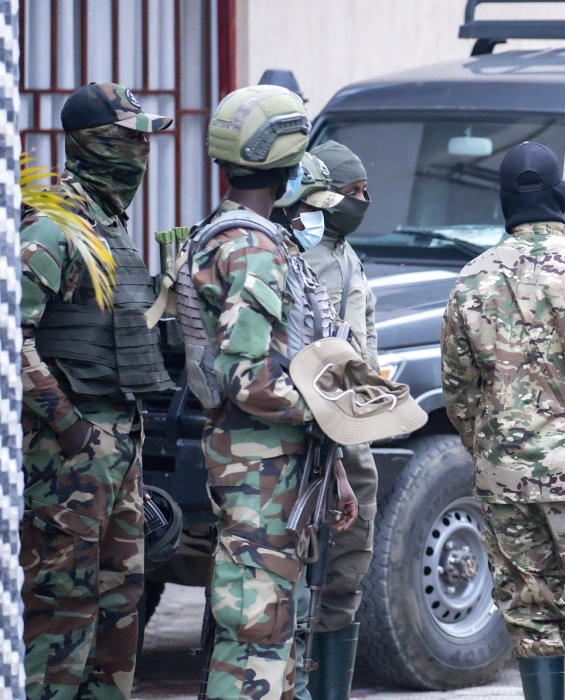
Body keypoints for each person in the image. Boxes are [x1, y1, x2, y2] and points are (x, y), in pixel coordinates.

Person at [187, 84, 356, 700]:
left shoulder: (246, 236)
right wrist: (333, 409)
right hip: (258, 470)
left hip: (274, 470)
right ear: (286, 159)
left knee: (276, 639)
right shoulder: (252, 247)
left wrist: (334, 464)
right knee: (255, 640)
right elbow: (250, 379)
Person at [18, 82, 174, 700]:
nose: (142, 152)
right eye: (131, 139)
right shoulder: (54, 228)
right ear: (96, 142)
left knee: (119, 610)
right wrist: (72, 428)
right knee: (62, 613)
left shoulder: (109, 226)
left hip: (118, 446)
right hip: (67, 459)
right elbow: (10, 340)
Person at [441, 142, 565, 700]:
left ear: (504, 202)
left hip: (504, 476)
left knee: (531, 615)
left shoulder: (472, 278)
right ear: (560, 195)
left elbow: (458, 391)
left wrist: (490, 448)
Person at [286, 143, 376, 700]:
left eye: (365, 192)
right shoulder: (303, 252)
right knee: (308, 578)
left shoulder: (344, 253)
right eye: (353, 192)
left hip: (354, 433)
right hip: (319, 435)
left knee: (345, 574)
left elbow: (363, 345)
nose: (363, 202)